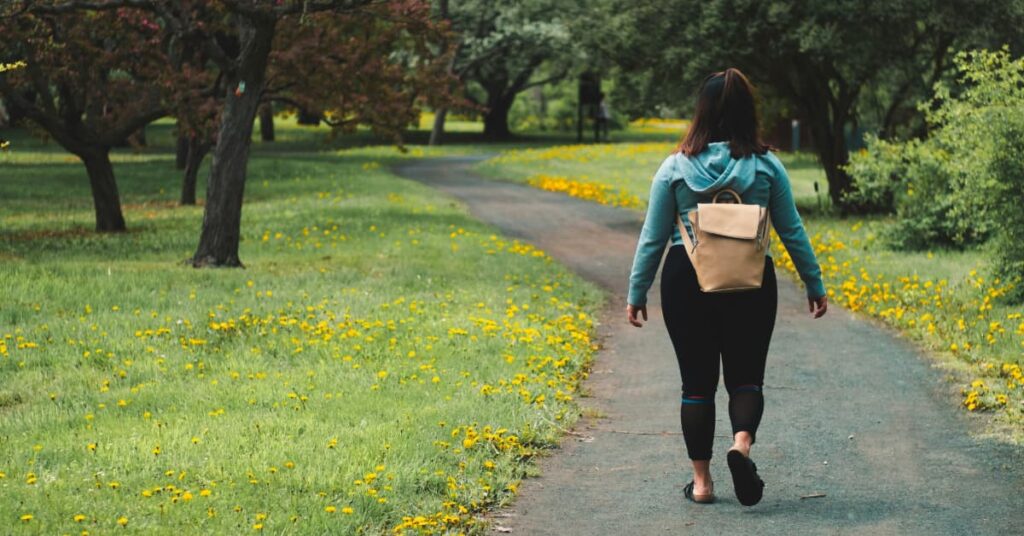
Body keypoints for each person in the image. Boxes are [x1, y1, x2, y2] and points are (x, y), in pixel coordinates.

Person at [624, 67, 828, 507]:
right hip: (751, 280)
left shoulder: (675, 167)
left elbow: (653, 236)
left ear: (701, 112)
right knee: (746, 378)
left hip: (686, 278)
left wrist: (636, 291)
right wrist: (814, 282)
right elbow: (792, 230)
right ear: (746, 113)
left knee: (696, 385)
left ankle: (701, 484)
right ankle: (740, 446)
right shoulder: (766, 166)